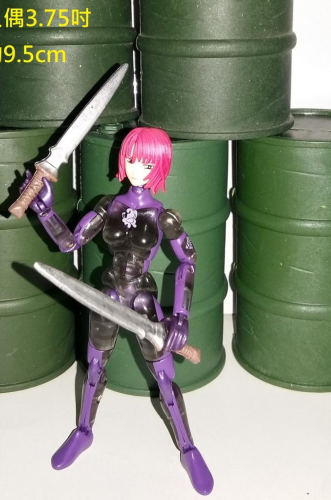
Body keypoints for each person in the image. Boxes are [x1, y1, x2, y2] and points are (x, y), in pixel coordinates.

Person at [21, 127, 214, 495]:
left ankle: (188, 448)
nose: (138, 169)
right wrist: (43, 209)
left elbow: (188, 261)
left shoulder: (162, 217)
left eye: (147, 163)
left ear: (160, 167)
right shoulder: (107, 205)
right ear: (123, 159)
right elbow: (70, 242)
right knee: (94, 368)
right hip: (108, 297)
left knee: (164, 379)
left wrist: (181, 315)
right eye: (132, 159)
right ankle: (83, 431)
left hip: (142, 302)